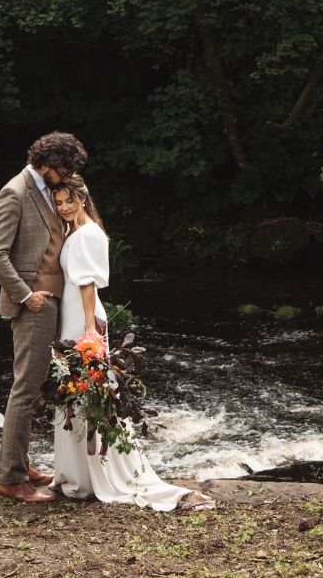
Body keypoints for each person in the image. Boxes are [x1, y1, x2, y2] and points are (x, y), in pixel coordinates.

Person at [48, 177, 211, 511]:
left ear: (83, 198)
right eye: (59, 202)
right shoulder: (77, 231)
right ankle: (79, 474)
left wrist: (90, 330)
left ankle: (99, 474)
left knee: (90, 388)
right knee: (76, 392)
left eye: (69, 201)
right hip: (73, 315)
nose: (64, 207)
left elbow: (87, 284)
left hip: (83, 317)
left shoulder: (86, 234)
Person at [0, 131, 86, 503]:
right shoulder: (14, 192)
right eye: (64, 168)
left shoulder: (45, 186)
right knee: (25, 389)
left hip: (54, 299)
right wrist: (27, 297)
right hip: (33, 303)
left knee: (36, 388)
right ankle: (10, 481)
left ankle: (22, 466)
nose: (68, 175)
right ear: (44, 164)